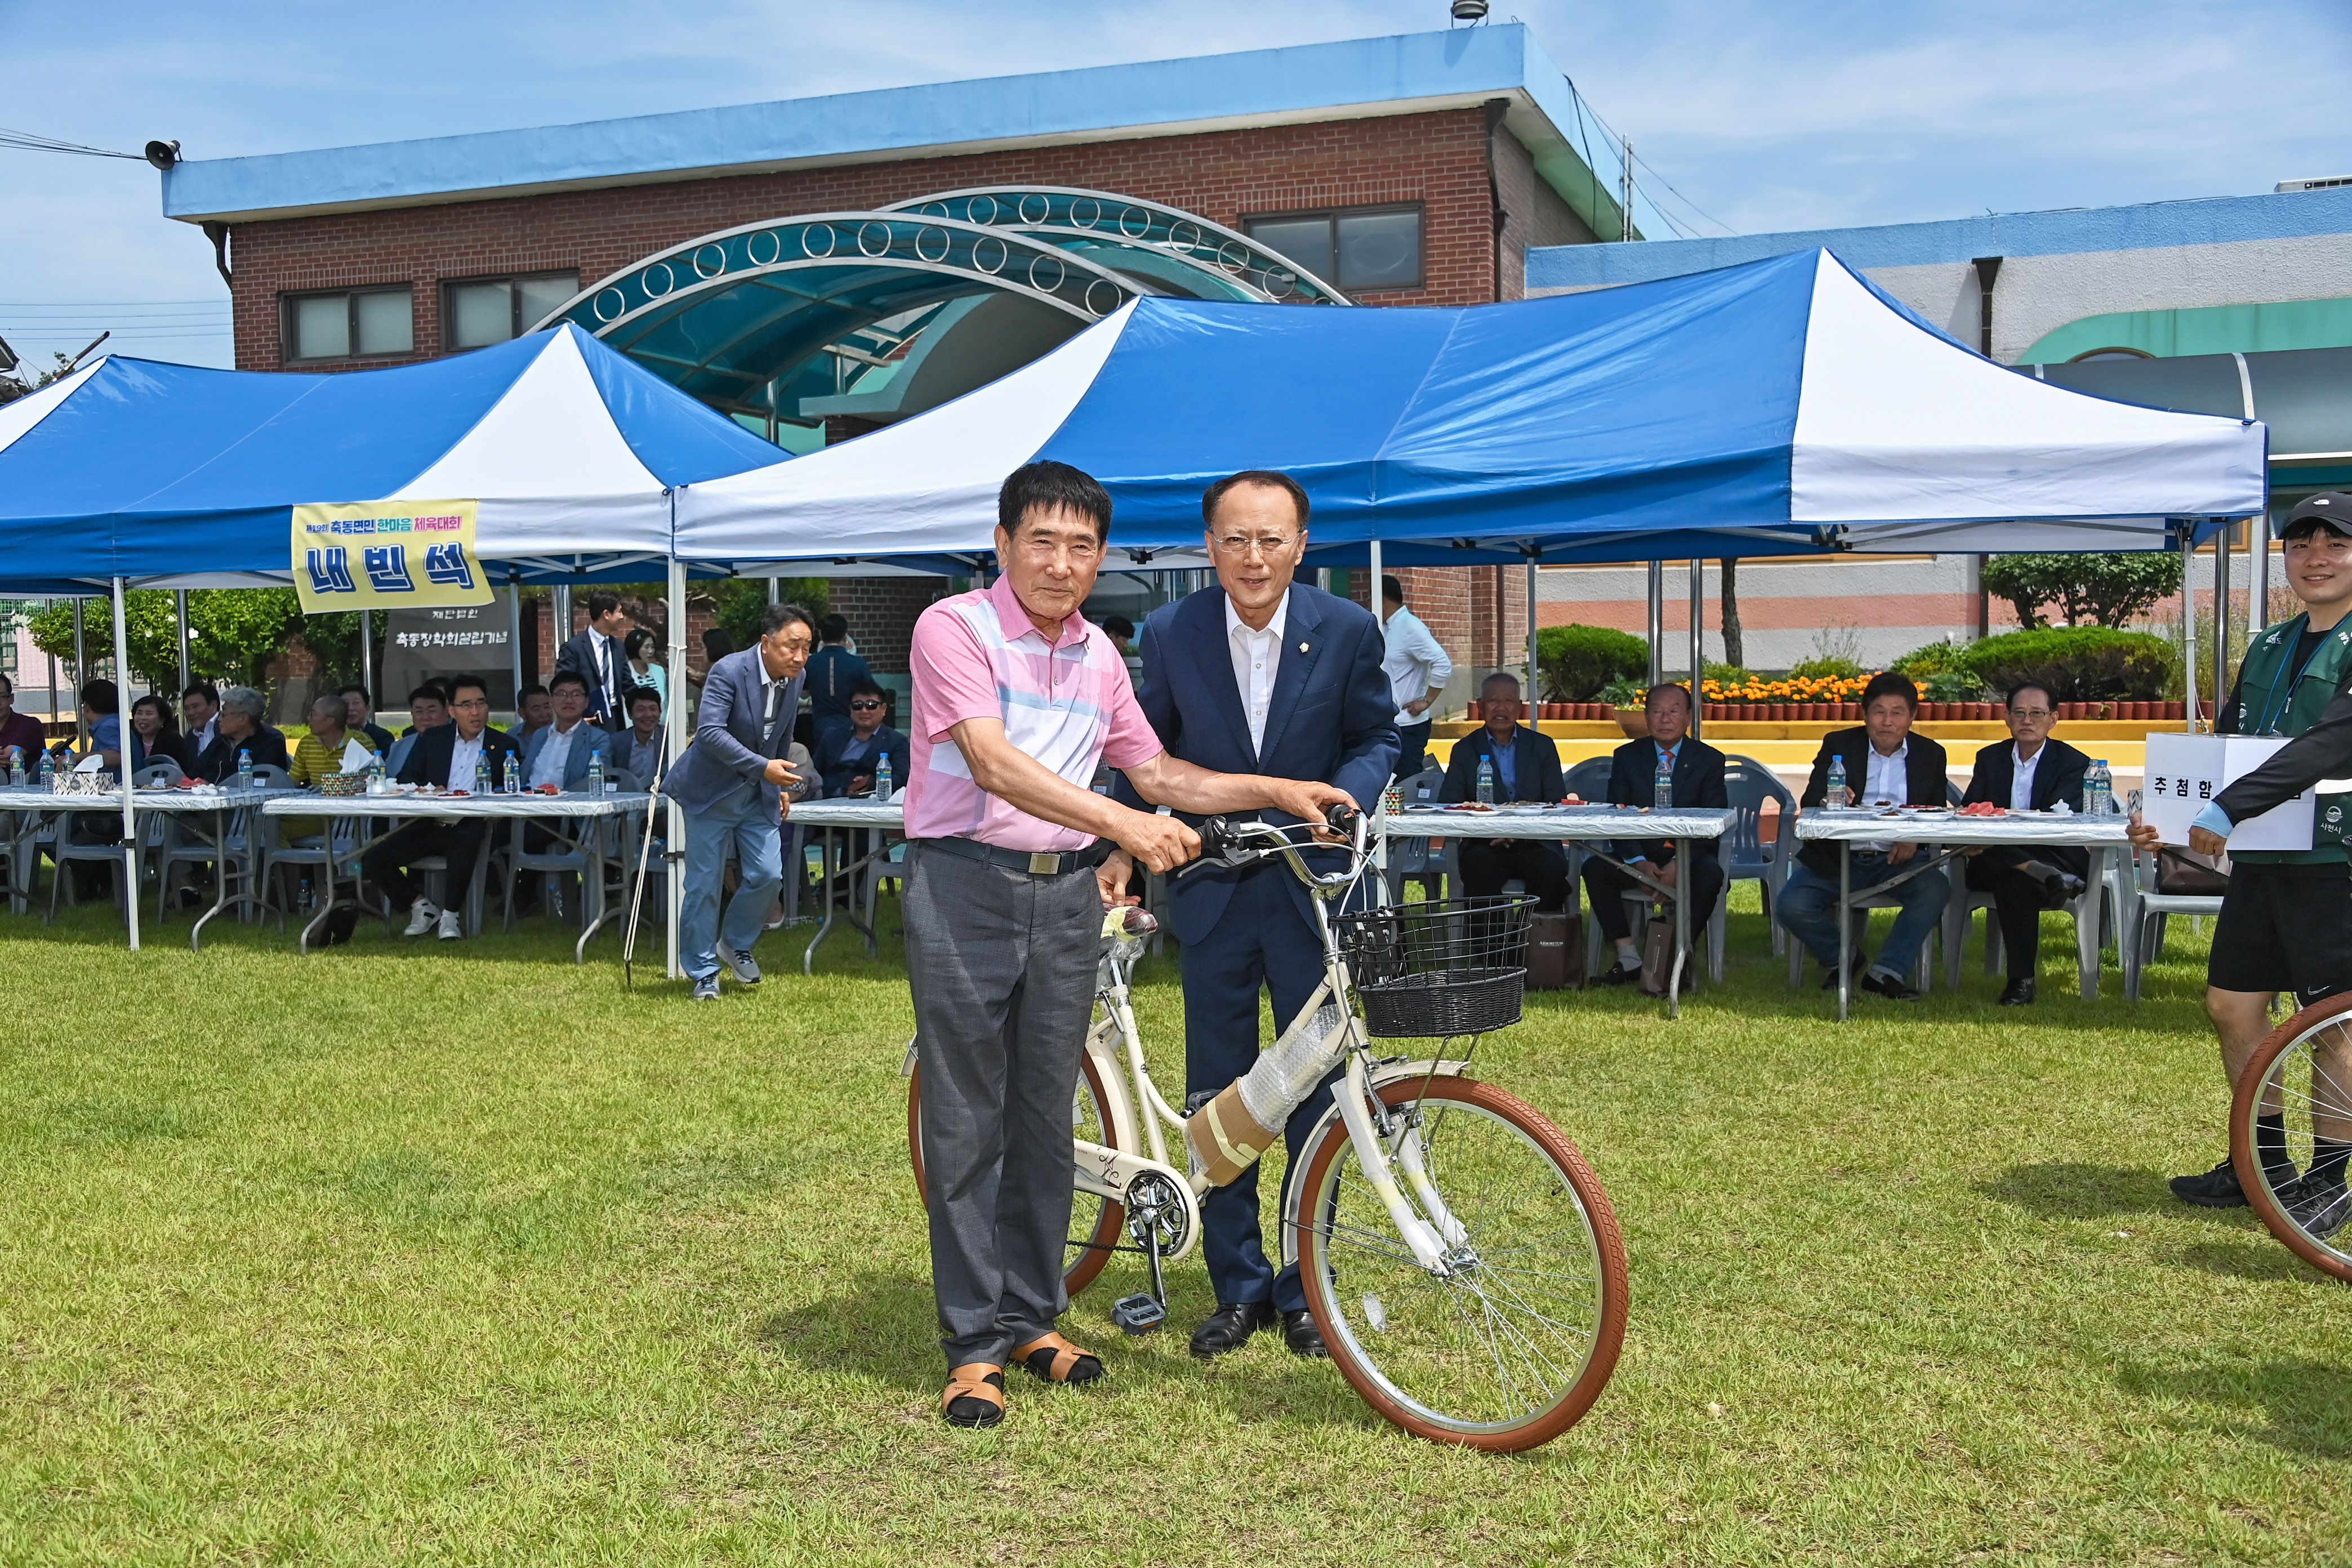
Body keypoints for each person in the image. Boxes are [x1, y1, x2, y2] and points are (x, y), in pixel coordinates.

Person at [908, 460, 1353, 1428]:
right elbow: (993, 762)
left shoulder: (1098, 654)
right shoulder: (954, 628)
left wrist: (1277, 791)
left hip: (1067, 898)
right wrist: (1130, 823)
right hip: (963, 888)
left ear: (1101, 555)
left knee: (1040, 1117)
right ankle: (972, 1345)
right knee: (966, 1123)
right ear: (1004, 543)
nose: (1062, 563)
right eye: (1043, 540)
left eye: (1082, 545)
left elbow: (1160, 769)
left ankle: (1032, 1318)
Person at [1107, 467, 1396, 1363]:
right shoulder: (1171, 630)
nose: (1254, 556)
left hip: (1312, 893)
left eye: (1272, 538)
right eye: (1236, 538)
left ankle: (1305, 1288)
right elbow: (1144, 755)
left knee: (1312, 1091)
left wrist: (1345, 801)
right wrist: (1128, 840)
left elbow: (1378, 738)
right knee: (1221, 1092)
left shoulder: (1347, 629)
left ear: (1303, 545)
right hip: (1213, 896)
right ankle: (1236, 1286)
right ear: (1210, 546)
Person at [2124, 492, 2352, 1217]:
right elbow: (2226, 748)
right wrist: (2165, 817)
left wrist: (2228, 808)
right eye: (2301, 545)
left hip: (2334, 863)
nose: (2316, 558)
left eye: (2335, 544)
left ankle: (2327, 1184)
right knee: (2231, 1005)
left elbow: (2330, 744)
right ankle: (2263, 1167)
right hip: (2262, 864)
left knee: (2335, 1027)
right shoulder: (2270, 644)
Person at [661, 603, 815, 1000]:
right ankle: (702, 972)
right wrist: (765, 768)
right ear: (766, 643)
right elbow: (709, 733)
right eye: (791, 646)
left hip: (757, 794)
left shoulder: (795, 678)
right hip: (709, 793)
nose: (799, 657)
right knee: (704, 885)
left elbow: (784, 732)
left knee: (768, 876)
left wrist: (777, 783)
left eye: (806, 648)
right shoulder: (728, 671)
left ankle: (733, 943)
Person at [1776, 671, 1950, 1000]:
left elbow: (1935, 811)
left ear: (1912, 716)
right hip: (1839, 858)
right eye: (1879, 711)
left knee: (1935, 888)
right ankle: (1844, 959)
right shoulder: (1839, 745)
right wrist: (1829, 799)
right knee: (1791, 905)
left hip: (1898, 860)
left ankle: (1886, 973)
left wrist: (1913, 838)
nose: (1888, 721)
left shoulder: (1930, 754)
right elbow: (1811, 800)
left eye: (1898, 712)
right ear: (1865, 713)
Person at [1580, 681, 1729, 985]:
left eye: (1674, 711)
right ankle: (1629, 957)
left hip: (1687, 855)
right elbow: (1616, 815)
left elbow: (1713, 824)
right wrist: (1637, 863)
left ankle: (1678, 956)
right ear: (1646, 717)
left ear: (1688, 717)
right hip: (1641, 854)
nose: (1665, 719)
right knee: (1595, 868)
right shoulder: (1627, 757)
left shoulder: (1709, 760)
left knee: (1710, 875)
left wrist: (1678, 865)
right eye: (1657, 712)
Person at [1959, 681, 2091, 1006]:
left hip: (2054, 855)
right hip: (1995, 861)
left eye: (2037, 713)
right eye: (2019, 712)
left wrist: (2001, 833)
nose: (2027, 720)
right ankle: (2039, 873)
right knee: (2007, 871)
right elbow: (1972, 809)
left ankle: (2021, 982)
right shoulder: (1990, 759)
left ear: (2054, 719)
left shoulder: (2073, 762)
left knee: (2011, 877)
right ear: (2006, 717)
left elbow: (2061, 820)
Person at [362, 675, 523, 940]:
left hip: (477, 824)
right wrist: (429, 788)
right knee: (375, 857)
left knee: (465, 841)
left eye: (481, 704)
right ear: (452, 711)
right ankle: (421, 906)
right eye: (466, 705)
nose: (475, 712)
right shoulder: (434, 739)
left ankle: (451, 916)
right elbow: (406, 778)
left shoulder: (504, 745)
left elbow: (511, 790)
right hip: (431, 821)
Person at [1441, 671, 1572, 911]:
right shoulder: (1465, 749)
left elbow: (1556, 801)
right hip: (1484, 843)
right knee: (1479, 871)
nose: (1501, 708)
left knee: (1550, 873)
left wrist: (1518, 831)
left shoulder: (1542, 746)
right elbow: (1449, 802)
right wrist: (1491, 830)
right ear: (1480, 706)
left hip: (1535, 842)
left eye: (1509, 701)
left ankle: (1528, 943)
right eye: (1493, 701)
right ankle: (1491, 949)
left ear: (1520, 707)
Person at [1380, 575, 1452, 780]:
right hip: (1388, 723)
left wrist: (1427, 700)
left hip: (1408, 727)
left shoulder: (1411, 627)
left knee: (1407, 784)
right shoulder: (1386, 628)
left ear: (1382, 598)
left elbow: (1442, 663)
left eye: (1370, 599)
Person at [282, 692, 378, 844]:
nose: (309, 719)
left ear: (330, 721)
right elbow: (292, 781)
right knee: (268, 824)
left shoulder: (361, 743)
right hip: (315, 811)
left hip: (349, 815)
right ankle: (290, 867)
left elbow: (375, 781)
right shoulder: (307, 743)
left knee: (274, 828)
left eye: (313, 714)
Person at [818, 677, 909, 798]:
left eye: (871, 705)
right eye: (858, 706)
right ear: (851, 710)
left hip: (869, 801)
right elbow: (815, 771)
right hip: (827, 798)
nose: (864, 711)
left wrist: (870, 782)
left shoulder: (897, 741)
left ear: (884, 709)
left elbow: (902, 778)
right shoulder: (832, 736)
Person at [522, 671, 613, 791]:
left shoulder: (598, 739)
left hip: (568, 806)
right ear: (551, 700)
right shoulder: (540, 735)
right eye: (562, 694)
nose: (569, 700)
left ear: (586, 702)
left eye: (576, 694)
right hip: (528, 803)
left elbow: (593, 785)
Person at [555, 593, 635, 727]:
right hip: (585, 719)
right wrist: (574, 718)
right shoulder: (574, 648)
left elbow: (628, 685)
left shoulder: (618, 646)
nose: (622, 617)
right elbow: (563, 685)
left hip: (615, 719)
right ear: (606, 614)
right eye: (619, 611)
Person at [804, 613, 872, 760]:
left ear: (821, 634)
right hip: (851, 724)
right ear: (845, 635)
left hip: (821, 725)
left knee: (823, 767)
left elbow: (803, 694)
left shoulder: (810, 663)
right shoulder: (858, 664)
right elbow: (871, 694)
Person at [193, 686, 289, 782]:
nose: (219, 719)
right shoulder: (220, 741)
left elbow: (265, 783)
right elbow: (195, 773)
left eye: (224, 714)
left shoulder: (271, 741)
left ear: (242, 718)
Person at [385, 683, 448, 776]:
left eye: (432, 711)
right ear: (412, 714)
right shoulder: (398, 747)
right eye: (419, 711)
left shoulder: (458, 744)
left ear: (447, 712)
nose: (425, 717)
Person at [128, 693, 194, 774]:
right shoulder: (131, 739)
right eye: (139, 713)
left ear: (162, 719)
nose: (143, 718)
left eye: (149, 713)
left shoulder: (173, 740)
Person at [611, 686, 667, 781]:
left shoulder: (670, 738)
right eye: (641, 710)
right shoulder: (616, 743)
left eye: (653, 709)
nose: (648, 715)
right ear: (630, 714)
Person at [0, 674, 46, 777]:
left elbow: (7, 756)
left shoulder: (29, 725)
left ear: (11, 699)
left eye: (2, 697)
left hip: (25, 790)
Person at [76, 679, 123, 768]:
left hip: (118, 782)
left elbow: (117, 756)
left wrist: (79, 756)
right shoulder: (116, 722)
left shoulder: (108, 726)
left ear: (87, 706)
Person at [623, 627, 667, 722]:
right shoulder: (624, 672)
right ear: (635, 648)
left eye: (652, 647)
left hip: (659, 728)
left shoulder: (659, 671)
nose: (651, 651)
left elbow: (666, 704)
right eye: (646, 647)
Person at [337, 683, 395, 753]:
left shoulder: (382, 737)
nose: (351, 708)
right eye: (346, 704)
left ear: (367, 708)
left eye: (356, 703)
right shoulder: (333, 736)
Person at [1098, 614, 1145, 687]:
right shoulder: (1098, 661)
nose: (1126, 645)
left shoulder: (1115, 660)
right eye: (1124, 641)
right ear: (1111, 637)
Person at [181, 681, 221, 758]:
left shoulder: (228, 729)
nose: (191, 713)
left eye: (196, 706)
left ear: (213, 706)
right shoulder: (190, 738)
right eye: (187, 709)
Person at [514, 684, 553, 748]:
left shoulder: (564, 735)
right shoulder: (513, 736)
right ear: (522, 713)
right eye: (536, 709)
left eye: (547, 707)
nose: (544, 714)